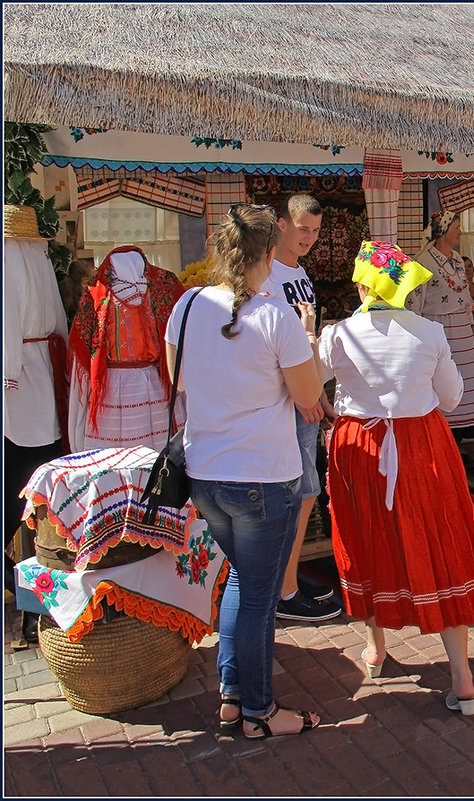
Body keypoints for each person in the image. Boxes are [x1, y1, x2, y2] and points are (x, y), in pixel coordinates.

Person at [321, 241, 474, 716]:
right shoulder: (429, 332)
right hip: (422, 444)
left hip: (358, 447)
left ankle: (376, 647)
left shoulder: (338, 334)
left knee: (366, 539)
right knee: (441, 542)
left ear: (363, 284)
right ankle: (461, 674)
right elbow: (451, 398)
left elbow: (304, 382)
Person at [167, 203, 324, 738]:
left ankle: (233, 695)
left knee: (242, 580)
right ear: (263, 254)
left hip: (206, 474)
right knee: (257, 596)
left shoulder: (186, 306)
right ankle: (259, 710)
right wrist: (307, 340)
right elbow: (310, 399)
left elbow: (181, 380)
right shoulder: (275, 314)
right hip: (261, 475)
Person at [257, 193, 342, 623]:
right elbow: (272, 345)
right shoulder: (268, 273)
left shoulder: (299, 272)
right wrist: (305, 396)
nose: (309, 237)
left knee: (306, 494)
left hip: (305, 397)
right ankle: (283, 590)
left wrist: (320, 395)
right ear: (282, 225)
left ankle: (287, 579)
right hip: (288, 401)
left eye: (316, 229)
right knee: (297, 495)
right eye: (303, 228)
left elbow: (305, 341)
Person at [4, 219, 69, 647]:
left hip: (22, 384)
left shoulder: (12, 256)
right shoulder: (37, 255)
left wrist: (7, 374)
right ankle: (34, 601)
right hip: (43, 377)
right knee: (38, 501)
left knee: (21, 498)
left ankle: (33, 602)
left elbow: (7, 322)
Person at [68, 245, 185, 452]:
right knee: (114, 455)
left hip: (156, 380)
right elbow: (83, 341)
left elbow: (183, 329)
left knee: (155, 454)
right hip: (113, 385)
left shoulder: (164, 284)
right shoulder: (97, 292)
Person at [409, 211, 474, 448]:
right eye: (457, 226)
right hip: (439, 329)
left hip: (461, 330)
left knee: (461, 384)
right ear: (443, 229)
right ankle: (441, 445)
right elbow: (414, 303)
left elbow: (464, 296)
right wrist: (416, 335)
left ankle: (457, 445)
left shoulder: (458, 259)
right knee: (441, 382)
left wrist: (471, 324)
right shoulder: (423, 261)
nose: (461, 231)